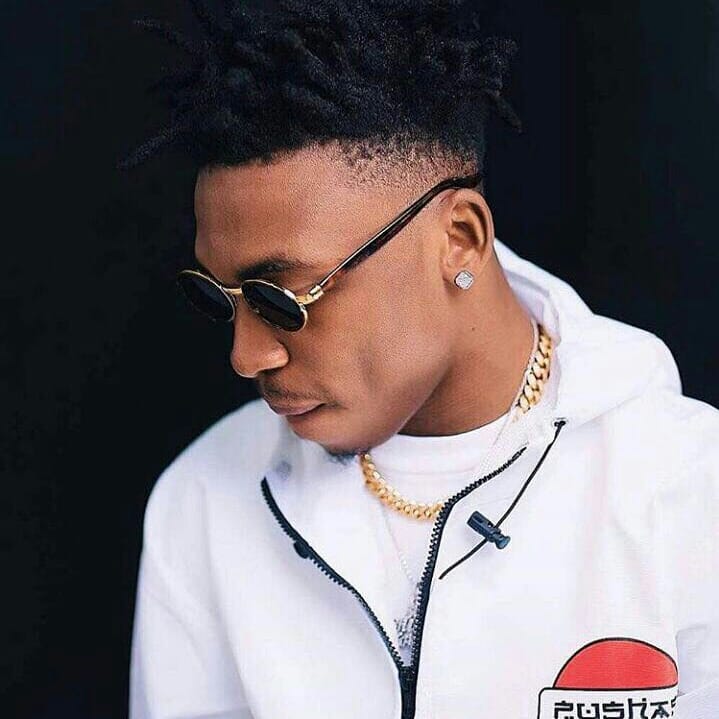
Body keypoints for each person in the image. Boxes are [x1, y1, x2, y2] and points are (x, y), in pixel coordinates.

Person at [119, 1, 719, 717]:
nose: (247, 356)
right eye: (220, 299)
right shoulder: (204, 501)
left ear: (460, 239)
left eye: (282, 299)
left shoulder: (689, 489)